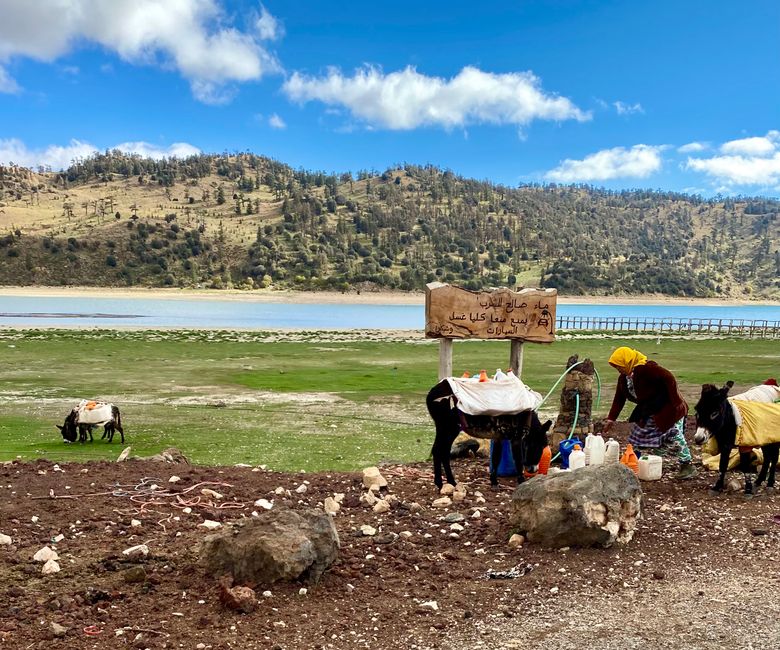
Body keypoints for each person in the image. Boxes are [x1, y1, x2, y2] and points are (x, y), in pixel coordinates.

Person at [603, 346, 697, 479]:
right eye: (616, 367)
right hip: (649, 409)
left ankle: (687, 466)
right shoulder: (624, 378)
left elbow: (668, 377)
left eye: (619, 366)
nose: (618, 369)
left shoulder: (646, 369)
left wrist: (675, 400)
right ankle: (633, 462)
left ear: (628, 361)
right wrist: (611, 419)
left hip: (668, 408)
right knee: (638, 435)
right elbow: (619, 398)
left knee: (673, 435)